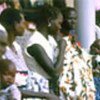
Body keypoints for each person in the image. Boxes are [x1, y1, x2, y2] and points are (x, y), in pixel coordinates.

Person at [26, 4, 66, 95]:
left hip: (50, 89)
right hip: (39, 90)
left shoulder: (50, 40)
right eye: (59, 23)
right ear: (49, 21)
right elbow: (54, 73)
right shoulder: (35, 43)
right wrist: (62, 48)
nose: (60, 27)